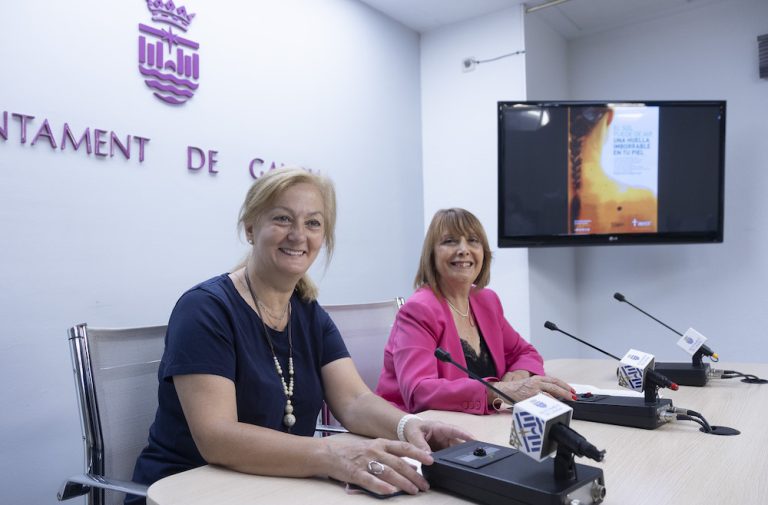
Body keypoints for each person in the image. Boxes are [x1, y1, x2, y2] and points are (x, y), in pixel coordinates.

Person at [127, 168, 472, 504]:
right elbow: (218, 437)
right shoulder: (204, 310)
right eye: (282, 219)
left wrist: (409, 426)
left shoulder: (308, 312)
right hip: (186, 490)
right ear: (250, 228)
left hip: (273, 488)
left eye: (312, 223)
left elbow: (353, 401)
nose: (298, 235)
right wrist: (331, 454)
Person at [376, 208, 576, 415]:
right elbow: (419, 391)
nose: (463, 249)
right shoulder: (419, 310)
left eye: (473, 240)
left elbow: (524, 352)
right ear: (432, 254)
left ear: (484, 253)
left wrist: (519, 374)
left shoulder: (486, 301)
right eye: (450, 241)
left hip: (480, 424)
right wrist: (500, 391)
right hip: (419, 429)